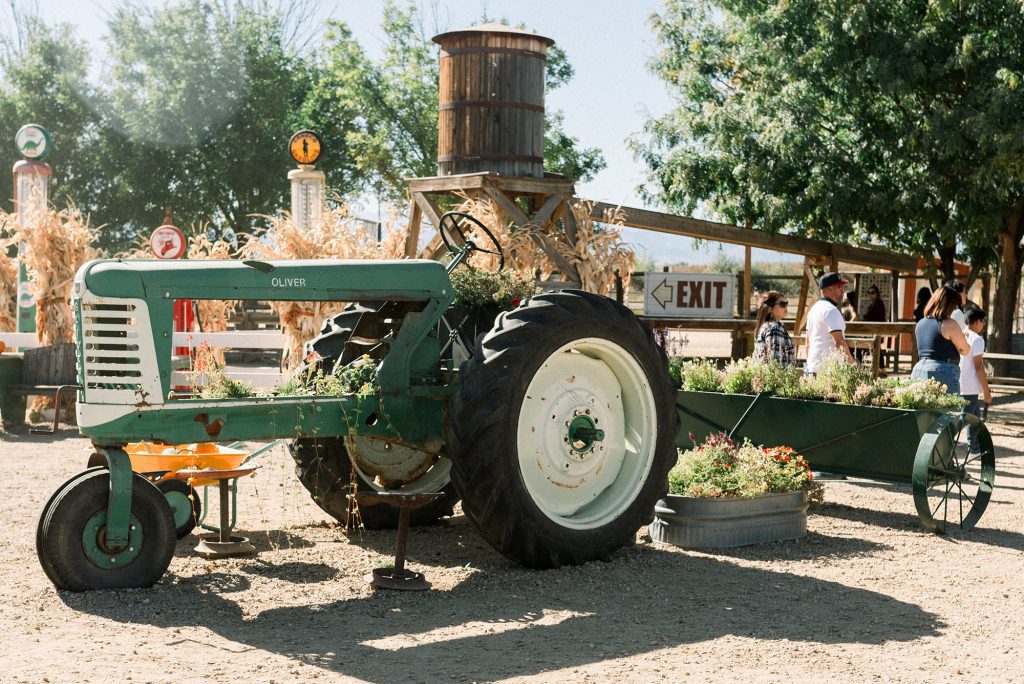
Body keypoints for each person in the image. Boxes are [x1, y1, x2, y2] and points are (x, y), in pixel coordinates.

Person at [911, 285, 971, 393]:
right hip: (942, 371)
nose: (955, 309)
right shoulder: (949, 324)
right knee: (949, 404)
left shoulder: (920, 324)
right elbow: (964, 350)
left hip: (919, 369)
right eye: (954, 306)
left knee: (922, 404)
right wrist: (965, 337)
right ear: (949, 305)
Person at [805, 272, 854, 374]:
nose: (843, 290)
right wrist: (851, 364)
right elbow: (839, 341)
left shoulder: (813, 309)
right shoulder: (830, 310)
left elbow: (807, 343)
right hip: (827, 370)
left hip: (812, 367)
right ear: (830, 289)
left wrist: (809, 364)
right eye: (840, 286)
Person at [959, 306, 991, 453]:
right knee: (964, 420)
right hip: (970, 386)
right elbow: (979, 367)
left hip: (959, 382)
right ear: (977, 322)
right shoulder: (977, 339)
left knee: (974, 418)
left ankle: (974, 447)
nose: (983, 325)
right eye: (983, 322)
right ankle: (944, 442)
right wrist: (986, 391)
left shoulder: (959, 334)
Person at [752, 290, 795, 366]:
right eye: (782, 304)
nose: (785, 307)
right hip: (775, 373)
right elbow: (775, 363)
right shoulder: (774, 328)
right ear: (770, 309)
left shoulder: (766, 326)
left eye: (786, 303)